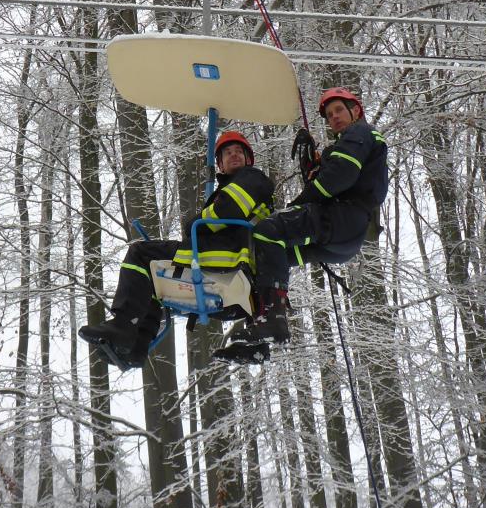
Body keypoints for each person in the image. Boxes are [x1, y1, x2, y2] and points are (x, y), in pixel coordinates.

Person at [214, 87, 388, 363]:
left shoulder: (361, 133)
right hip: (345, 240)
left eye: (339, 110)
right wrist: (313, 168)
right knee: (272, 257)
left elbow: (338, 178)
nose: (334, 118)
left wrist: (301, 200)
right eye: (329, 115)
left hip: (343, 217)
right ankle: (259, 335)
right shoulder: (346, 144)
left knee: (267, 231)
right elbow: (333, 178)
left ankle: (272, 317)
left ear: (356, 110)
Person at [81, 129, 275, 369]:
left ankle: (123, 324)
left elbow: (227, 212)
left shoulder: (251, 178)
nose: (234, 156)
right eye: (227, 153)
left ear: (249, 159)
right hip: (227, 284)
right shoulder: (233, 187)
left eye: (238, 152)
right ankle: (135, 347)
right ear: (220, 165)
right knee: (150, 278)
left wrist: (194, 223)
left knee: (140, 254)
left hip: (223, 261)